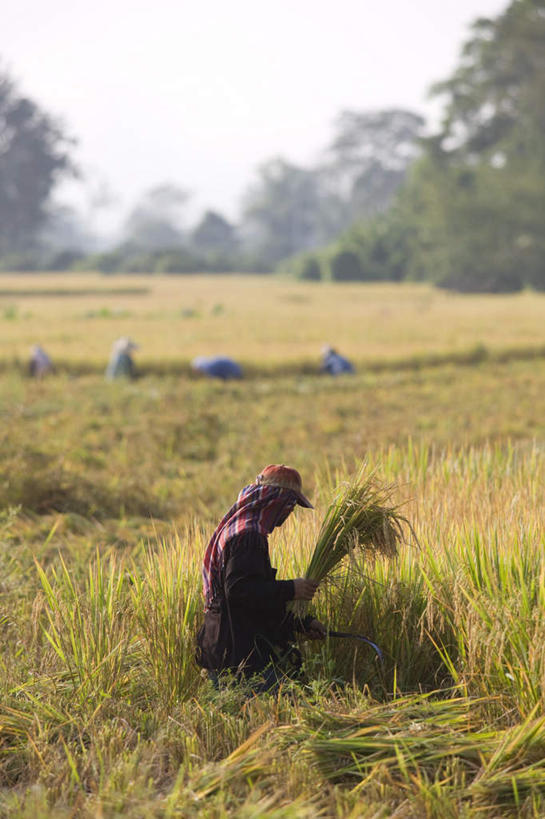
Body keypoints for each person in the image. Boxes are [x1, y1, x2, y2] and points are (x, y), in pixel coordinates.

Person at [196, 464, 326, 693]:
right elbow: (239, 591)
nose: (290, 512)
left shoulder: (240, 531)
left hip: (226, 649)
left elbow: (253, 604)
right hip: (239, 658)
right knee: (289, 707)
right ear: (278, 501)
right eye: (291, 505)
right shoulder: (249, 536)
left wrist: (300, 624)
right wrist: (291, 589)